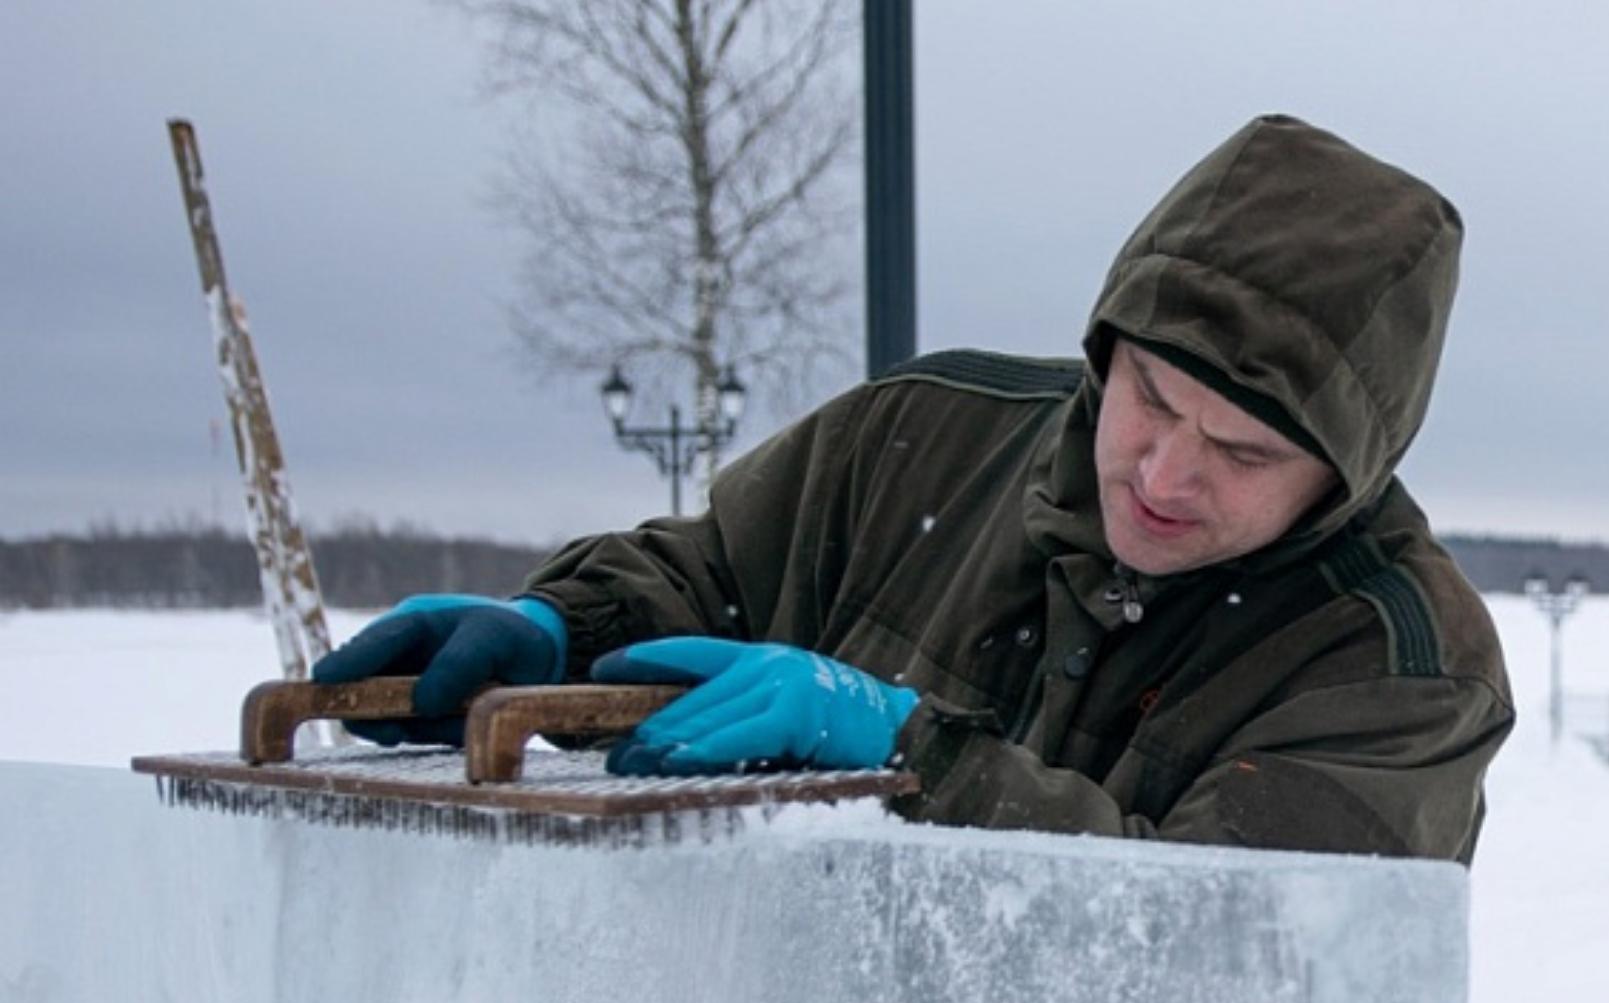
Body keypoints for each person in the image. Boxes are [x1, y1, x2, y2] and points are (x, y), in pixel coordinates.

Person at [315, 114, 1513, 862]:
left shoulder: (1406, 669)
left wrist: (913, 759)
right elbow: (720, 580)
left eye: (1243, 452)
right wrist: (567, 632)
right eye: (1150, 393)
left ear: (1349, 473)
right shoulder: (926, 435)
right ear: (1109, 345)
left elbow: (1226, 952)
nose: (1161, 473)